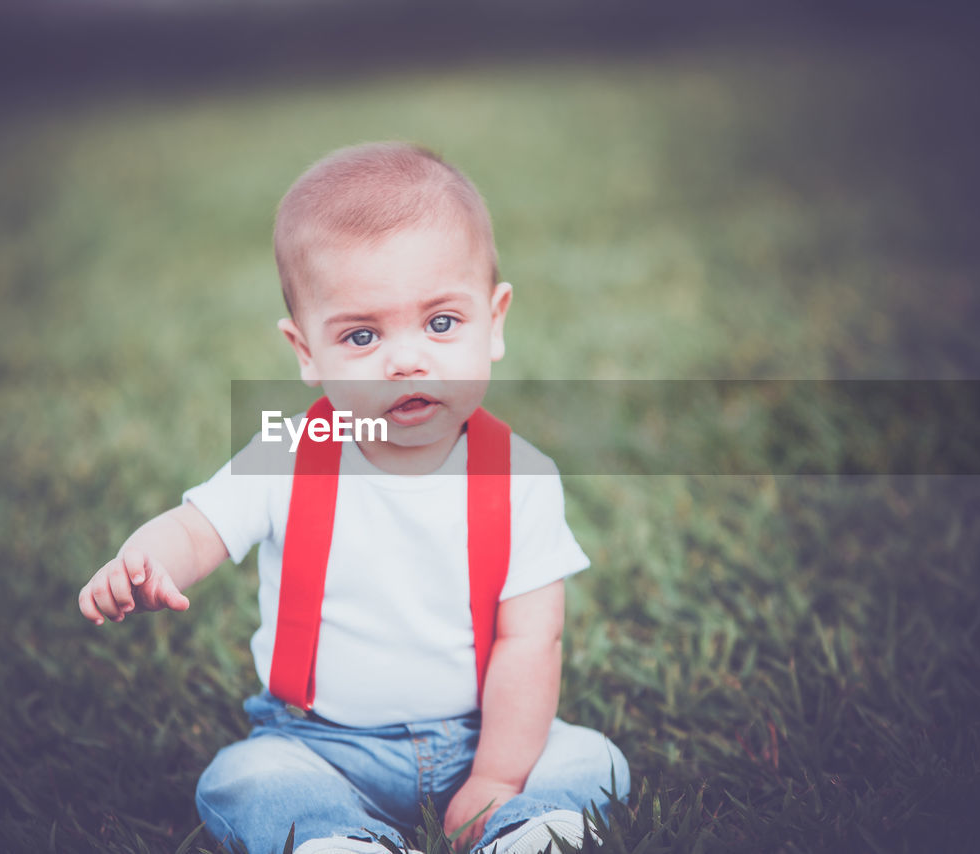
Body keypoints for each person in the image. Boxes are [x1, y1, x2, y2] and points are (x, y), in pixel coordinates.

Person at [78, 142, 630, 854]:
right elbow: (195, 530)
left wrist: (496, 774)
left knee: (590, 758)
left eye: (440, 323)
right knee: (244, 776)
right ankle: (339, 838)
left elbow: (531, 639)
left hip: (482, 733)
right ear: (305, 350)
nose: (405, 360)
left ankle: (527, 830)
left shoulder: (523, 476)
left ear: (495, 323)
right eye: (362, 335)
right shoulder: (285, 454)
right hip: (321, 742)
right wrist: (144, 560)